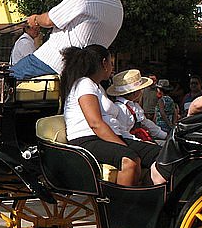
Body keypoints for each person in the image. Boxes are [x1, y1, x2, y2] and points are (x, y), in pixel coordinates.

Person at [9, 0, 123, 81]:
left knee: (6, 78)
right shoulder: (118, 5)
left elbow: (49, 20)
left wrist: (35, 19)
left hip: (54, 61)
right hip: (87, 71)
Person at [60, 44, 141, 187]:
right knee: (129, 159)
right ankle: (120, 200)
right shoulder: (84, 84)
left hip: (103, 137)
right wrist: (123, 146)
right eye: (111, 63)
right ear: (104, 63)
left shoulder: (98, 87)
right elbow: (95, 123)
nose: (112, 67)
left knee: (156, 153)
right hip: (87, 139)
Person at [107, 69, 169, 144]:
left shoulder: (133, 105)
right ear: (135, 93)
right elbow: (123, 133)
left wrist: (164, 135)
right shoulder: (120, 108)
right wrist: (141, 142)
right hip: (130, 142)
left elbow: (146, 123)